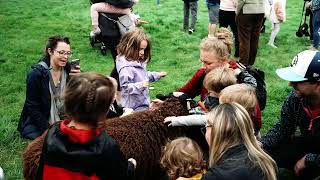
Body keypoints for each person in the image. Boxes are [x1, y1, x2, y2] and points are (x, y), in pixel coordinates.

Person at [36, 73, 136, 179]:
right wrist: (131, 166)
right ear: (105, 111)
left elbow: (41, 172)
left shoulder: (52, 132)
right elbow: (120, 175)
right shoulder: (106, 146)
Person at [261, 50, 320, 179]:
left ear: (317, 83)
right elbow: (283, 127)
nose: (290, 84)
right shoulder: (295, 98)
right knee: (266, 156)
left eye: (297, 81)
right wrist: (261, 145)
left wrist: (311, 159)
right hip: (309, 143)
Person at [17, 35, 81, 140]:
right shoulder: (36, 74)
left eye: (68, 53)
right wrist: (48, 130)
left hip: (63, 113)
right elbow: (32, 107)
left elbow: (74, 95)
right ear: (50, 51)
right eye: (61, 53)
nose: (65, 57)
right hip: (43, 117)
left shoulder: (68, 68)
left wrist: (77, 79)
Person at [176, 28, 256, 102]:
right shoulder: (203, 73)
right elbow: (183, 92)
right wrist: (165, 99)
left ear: (224, 60)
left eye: (208, 63)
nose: (203, 67)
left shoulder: (238, 80)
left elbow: (253, 115)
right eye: (202, 61)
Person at [202, 103, 277, 180]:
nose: (205, 131)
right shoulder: (263, 158)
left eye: (207, 126)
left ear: (216, 132)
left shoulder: (215, 176)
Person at [165, 83, 262, 138]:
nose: (219, 107)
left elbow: (254, 141)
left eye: (223, 105)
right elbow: (199, 119)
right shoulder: (222, 115)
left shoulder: (247, 129)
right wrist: (175, 120)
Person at [116, 28, 167, 111]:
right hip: (133, 107)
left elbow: (142, 76)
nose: (142, 52)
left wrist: (157, 75)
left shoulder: (136, 61)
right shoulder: (126, 68)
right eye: (140, 49)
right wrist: (141, 85)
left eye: (144, 49)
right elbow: (125, 88)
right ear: (129, 47)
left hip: (142, 101)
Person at [236, 0, 264, 65]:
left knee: (244, 40)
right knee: (255, 38)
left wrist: (237, 12)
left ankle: (243, 64)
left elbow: (241, 0)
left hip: (247, 10)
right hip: (260, 10)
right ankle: (250, 63)